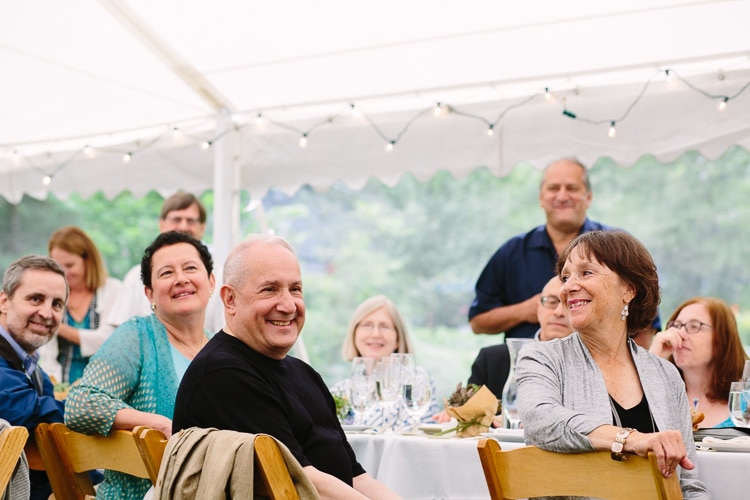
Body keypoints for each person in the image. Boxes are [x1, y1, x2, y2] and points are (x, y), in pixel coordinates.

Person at [173, 234, 401, 499]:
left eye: (295, 289)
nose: (288, 305)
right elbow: (301, 483)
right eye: (270, 289)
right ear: (230, 299)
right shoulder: (223, 375)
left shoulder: (304, 373)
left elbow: (353, 475)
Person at [516, 231, 709, 498]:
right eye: (565, 276)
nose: (568, 286)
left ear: (628, 289)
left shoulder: (666, 374)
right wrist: (633, 440)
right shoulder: (541, 358)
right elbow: (540, 421)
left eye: (586, 272)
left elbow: (688, 485)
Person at [65, 231, 215, 499]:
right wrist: (155, 423)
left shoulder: (222, 351)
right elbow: (81, 403)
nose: (181, 279)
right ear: (149, 293)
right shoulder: (138, 336)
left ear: (211, 281)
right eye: (166, 273)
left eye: (191, 268)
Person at [468, 158, 660, 345]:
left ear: (589, 197)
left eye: (571, 188)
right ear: (541, 198)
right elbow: (478, 322)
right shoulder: (511, 252)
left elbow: (646, 322)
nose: (562, 196)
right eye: (553, 188)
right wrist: (526, 310)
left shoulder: (618, 247)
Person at [0, 255, 67, 500]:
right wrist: (95, 410)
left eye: (57, 304)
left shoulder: (34, 369)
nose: (47, 313)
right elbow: (23, 409)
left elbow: (50, 431)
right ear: (4, 301)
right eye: (36, 299)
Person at [107, 192, 223, 333]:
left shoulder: (220, 275)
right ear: (161, 224)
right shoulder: (134, 276)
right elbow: (119, 331)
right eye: (176, 219)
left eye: (191, 221)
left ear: (203, 227)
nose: (183, 227)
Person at [333, 295, 439, 429]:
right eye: (367, 325)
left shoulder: (417, 380)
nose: (376, 334)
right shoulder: (339, 391)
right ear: (354, 334)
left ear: (398, 338)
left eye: (385, 326)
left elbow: (421, 436)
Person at [38, 226, 121, 383]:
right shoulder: (51, 294)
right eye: (57, 265)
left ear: (88, 261)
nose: (63, 272)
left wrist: (58, 326)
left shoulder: (113, 289)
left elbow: (108, 342)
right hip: (58, 386)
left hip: (104, 385)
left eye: (69, 265)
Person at [650, 297, 749, 428]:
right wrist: (652, 359)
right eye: (676, 326)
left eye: (694, 326)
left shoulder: (745, 398)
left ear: (722, 338)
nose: (681, 334)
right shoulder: (658, 393)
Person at [468, 275, 572, 399]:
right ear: (538, 307)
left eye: (569, 304)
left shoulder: (595, 362)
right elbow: (465, 414)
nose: (558, 312)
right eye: (552, 302)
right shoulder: (492, 360)